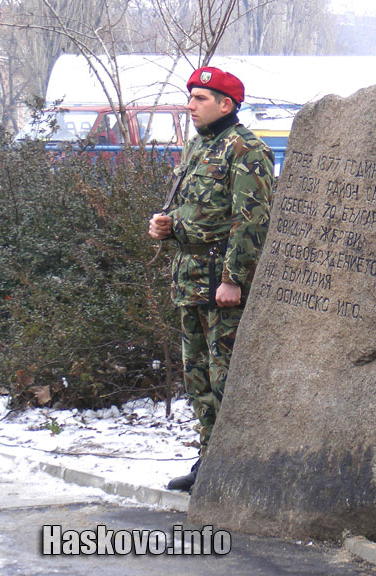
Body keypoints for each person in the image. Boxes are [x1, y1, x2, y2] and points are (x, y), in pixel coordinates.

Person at [148, 66, 274, 491]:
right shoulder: (198, 146)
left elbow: (251, 220)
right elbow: (193, 207)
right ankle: (209, 460)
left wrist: (234, 279)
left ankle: (231, 468)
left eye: (200, 99)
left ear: (227, 104)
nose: (190, 106)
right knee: (196, 375)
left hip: (220, 283)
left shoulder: (245, 149)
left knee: (224, 377)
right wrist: (166, 225)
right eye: (191, 97)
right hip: (189, 279)